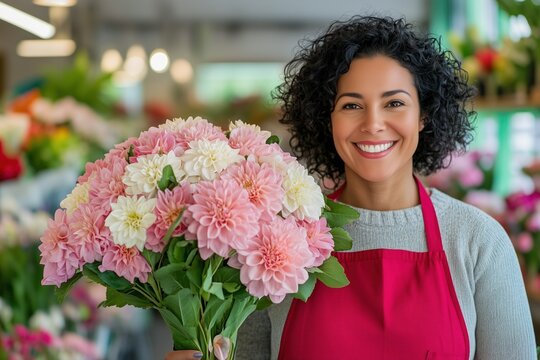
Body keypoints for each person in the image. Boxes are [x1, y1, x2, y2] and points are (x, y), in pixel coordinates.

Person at [166, 15, 537, 360]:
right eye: (351, 106)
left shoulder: (477, 241)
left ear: (423, 115)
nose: (373, 124)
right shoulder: (276, 244)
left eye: (394, 103)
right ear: (326, 120)